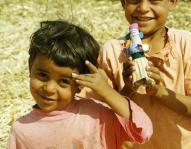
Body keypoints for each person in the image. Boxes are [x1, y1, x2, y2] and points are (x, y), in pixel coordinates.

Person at [98, 0, 191, 148]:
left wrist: (160, 91)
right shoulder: (112, 51)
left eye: (154, 0)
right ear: (122, 0)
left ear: (172, 1)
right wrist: (127, 90)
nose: (143, 8)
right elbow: (101, 115)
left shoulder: (184, 43)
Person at [7, 20, 153, 149]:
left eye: (64, 81)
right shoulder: (21, 131)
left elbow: (143, 131)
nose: (49, 88)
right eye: (43, 75)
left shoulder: (96, 116)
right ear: (30, 67)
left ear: (81, 83)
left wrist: (107, 91)